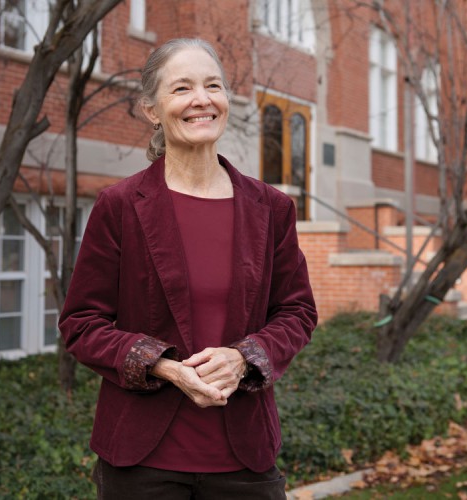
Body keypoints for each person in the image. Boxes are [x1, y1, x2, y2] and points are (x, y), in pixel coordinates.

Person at [59, 37, 317, 499]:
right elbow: (81, 324)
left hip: (244, 462)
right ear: (152, 111)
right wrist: (163, 366)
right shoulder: (119, 206)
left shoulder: (272, 208)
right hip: (141, 465)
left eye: (212, 85)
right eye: (181, 89)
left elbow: (297, 312)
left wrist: (244, 358)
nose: (202, 99)